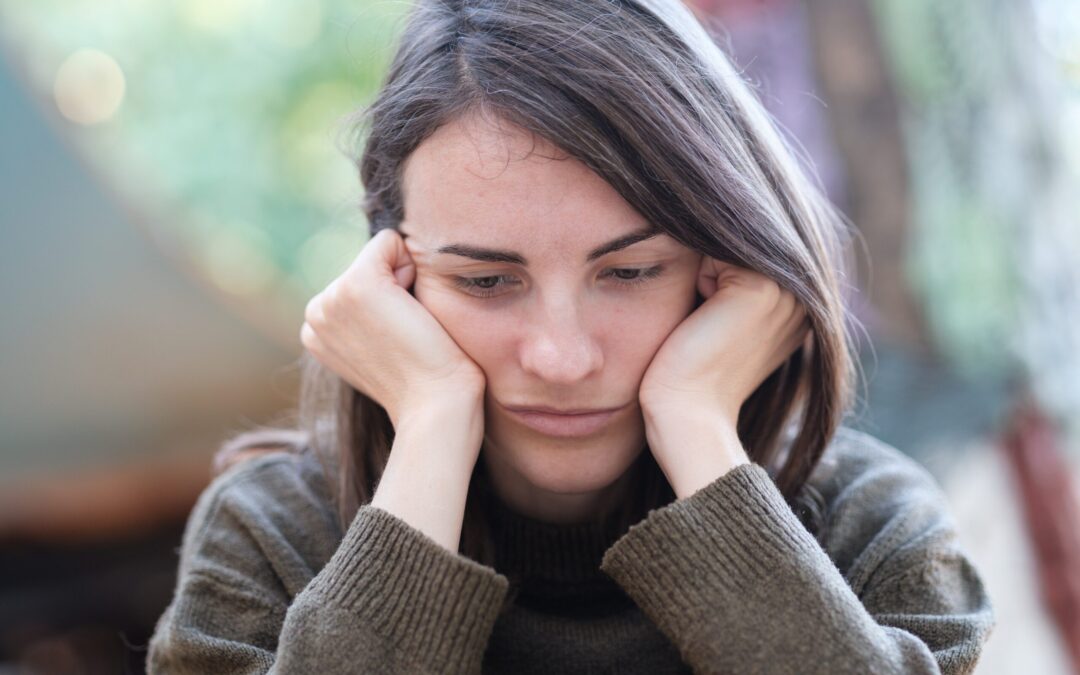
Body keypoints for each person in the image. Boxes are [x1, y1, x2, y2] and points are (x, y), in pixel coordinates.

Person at [146, 0, 995, 672]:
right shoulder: (272, 537)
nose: (562, 357)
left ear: (728, 266)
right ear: (390, 277)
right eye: (485, 281)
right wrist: (435, 424)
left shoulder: (869, 530)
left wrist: (694, 422)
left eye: (629, 273)